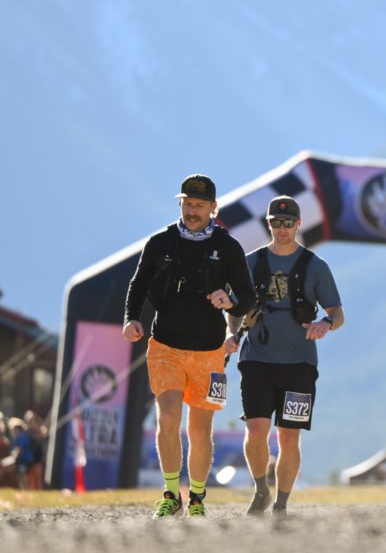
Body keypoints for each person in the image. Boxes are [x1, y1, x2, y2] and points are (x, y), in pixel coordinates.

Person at [123, 174, 256, 518]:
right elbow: (138, 284)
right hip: (165, 345)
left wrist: (230, 301)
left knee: (200, 431)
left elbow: (248, 299)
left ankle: (196, 497)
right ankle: (171, 495)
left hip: (210, 352)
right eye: (187, 204)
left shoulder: (228, 247)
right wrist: (131, 318)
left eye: (199, 205)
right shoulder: (160, 242)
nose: (192, 211)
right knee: (168, 418)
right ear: (179, 203)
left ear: (214, 208)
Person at [224, 195, 345, 518]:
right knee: (256, 430)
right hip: (256, 358)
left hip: (299, 362)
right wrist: (231, 332)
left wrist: (325, 324)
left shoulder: (315, 267)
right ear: (268, 224)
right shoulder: (251, 263)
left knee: (289, 437)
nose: (282, 228)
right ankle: (261, 489)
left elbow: (337, 312)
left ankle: (281, 503)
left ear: (298, 225)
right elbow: (236, 307)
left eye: (288, 223)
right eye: (276, 223)